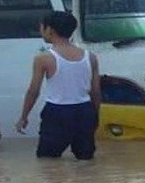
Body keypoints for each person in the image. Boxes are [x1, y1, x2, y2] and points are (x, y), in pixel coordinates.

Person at [15, 11, 101, 160]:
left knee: (47, 161)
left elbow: (33, 92)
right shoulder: (90, 57)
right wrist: (95, 116)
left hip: (57, 114)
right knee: (85, 160)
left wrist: (24, 117)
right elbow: (96, 91)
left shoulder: (44, 58)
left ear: (50, 30)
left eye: (41, 27)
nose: (41, 31)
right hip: (85, 111)